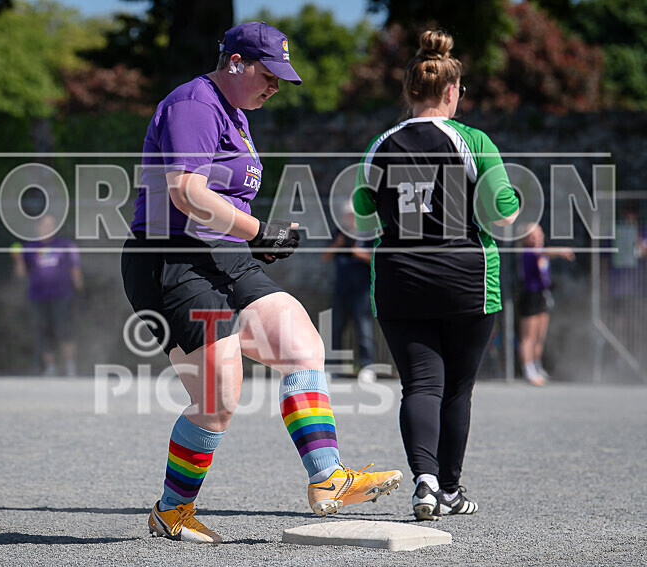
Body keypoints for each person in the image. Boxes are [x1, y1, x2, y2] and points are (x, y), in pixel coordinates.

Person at [121, 22, 402, 544]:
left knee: (302, 343)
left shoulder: (237, 116)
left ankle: (328, 479)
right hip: (171, 258)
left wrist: (253, 235)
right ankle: (171, 511)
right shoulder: (195, 104)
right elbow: (185, 192)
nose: (275, 87)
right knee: (219, 397)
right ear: (235, 63)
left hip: (223, 255)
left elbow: (223, 203)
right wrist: (258, 230)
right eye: (269, 75)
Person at [353, 30, 520, 521]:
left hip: (400, 278)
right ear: (452, 92)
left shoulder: (380, 144)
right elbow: (503, 212)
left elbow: (363, 217)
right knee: (458, 389)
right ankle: (450, 488)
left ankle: (424, 480)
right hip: (466, 275)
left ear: (409, 90)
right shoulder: (474, 141)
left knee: (421, 385)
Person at [11, 214, 83, 377]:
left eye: (51, 225)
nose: (48, 228)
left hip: (63, 295)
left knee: (65, 330)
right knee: (43, 332)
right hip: (38, 297)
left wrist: (79, 288)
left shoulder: (65, 245)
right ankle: (51, 367)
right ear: (38, 228)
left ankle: (70, 366)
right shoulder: (29, 248)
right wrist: (18, 259)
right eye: (45, 225)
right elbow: (21, 274)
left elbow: (75, 268)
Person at [321, 201, 375, 379]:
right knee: (335, 328)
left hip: (362, 290)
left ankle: (367, 366)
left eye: (353, 215)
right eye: (347, 215)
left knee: (364, 328)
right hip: (341, 289)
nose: (350, 218)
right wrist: (339, 244)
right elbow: (325, 257)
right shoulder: (340, 234)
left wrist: (355, 250)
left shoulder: (367, 235)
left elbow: (374, 260)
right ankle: (335, 367)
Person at [518, 223, 575, 386]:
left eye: (539, 233)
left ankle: (537, 365)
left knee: (539, 336)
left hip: (542, 295)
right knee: (528, 337)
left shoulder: (541, 255)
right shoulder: (529, 252)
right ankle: (528, 369)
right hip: (530, 295)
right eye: (533, 234)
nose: (537, 237)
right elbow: (544, 252)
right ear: (526, 238)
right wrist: (561, 251)